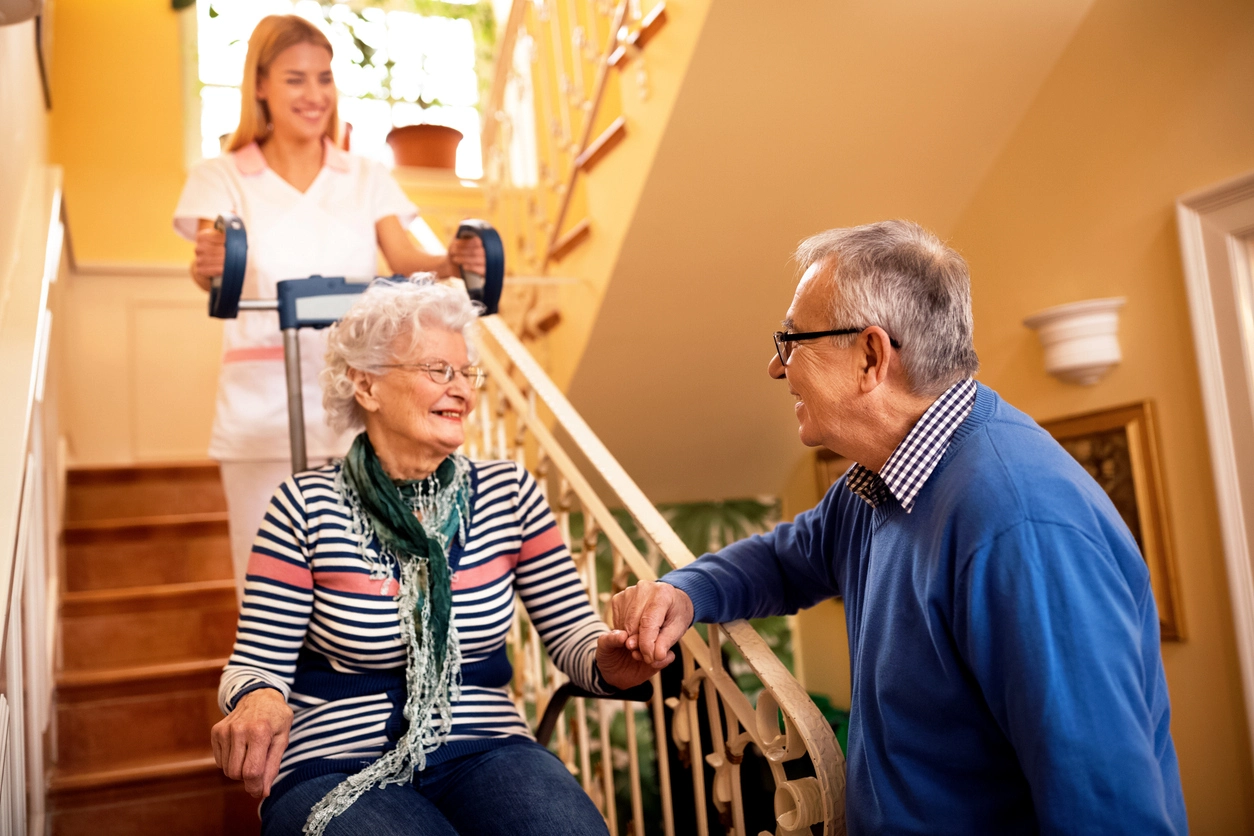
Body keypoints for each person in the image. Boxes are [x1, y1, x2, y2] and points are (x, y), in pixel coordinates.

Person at [611, 220, 1187, 834]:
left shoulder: (1021, 525)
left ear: (870, 356)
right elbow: (788, 558)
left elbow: (1107, 810)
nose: (776, 369)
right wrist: (684, 592)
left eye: (792, 340)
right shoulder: (881, 476)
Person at [210, 279, 658, 836]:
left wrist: (607, 661)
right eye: (437, 371)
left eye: (466, 374)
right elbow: (256, 662)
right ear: (366, 385)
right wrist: (258, 700)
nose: (464, 393)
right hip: (335, 762)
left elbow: (573, 636)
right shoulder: (303, 505)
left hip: (487, 746)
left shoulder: (509, 493)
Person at [173, 14, 485, 601]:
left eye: (324, 78)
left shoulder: (364, 176)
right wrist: (208, 266)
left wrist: (458, 258)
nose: (314, 95)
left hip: (360, 403)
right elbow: (211, 267)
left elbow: (405, 258)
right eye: (295, 79)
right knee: (267, 582)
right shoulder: (221, 177)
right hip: (261, 409)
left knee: (366, 581)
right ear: (260, 84)